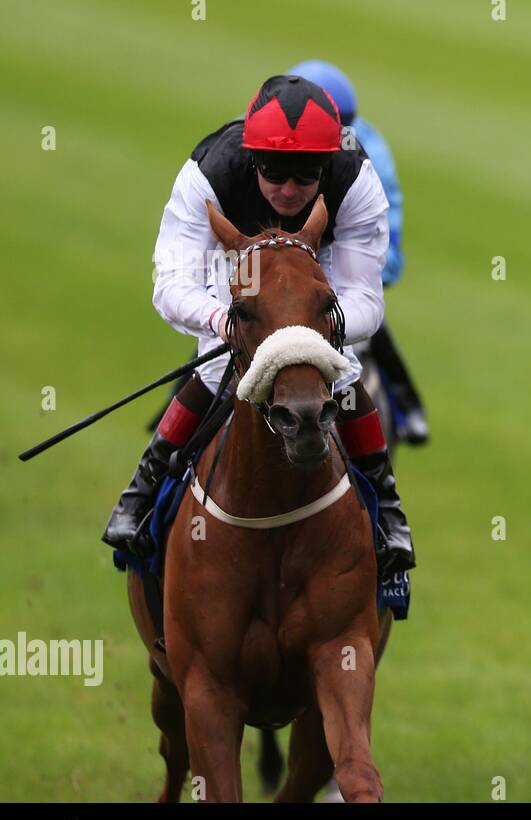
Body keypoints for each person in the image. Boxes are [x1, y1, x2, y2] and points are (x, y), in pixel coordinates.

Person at [103, 74, 415, 575]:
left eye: (306, 176)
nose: (289, 191)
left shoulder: (354, 180)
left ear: (326, 166)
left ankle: (388, 508)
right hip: (240, 264)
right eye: (274, 173)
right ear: (252, 160)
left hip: (319, 262)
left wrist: (311, 329)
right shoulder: (209, 174)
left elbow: (365, 301)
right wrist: (225, 323)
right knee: (216, 366)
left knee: (347, 365)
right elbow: (173, 286)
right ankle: (142, 490)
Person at [289, 60, 429, 445]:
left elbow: (387, 229)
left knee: (369, 326)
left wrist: (374, 272)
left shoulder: (369, 154)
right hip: (280, 271)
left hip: (342, 271)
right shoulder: (262, 137)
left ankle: (405, 403)